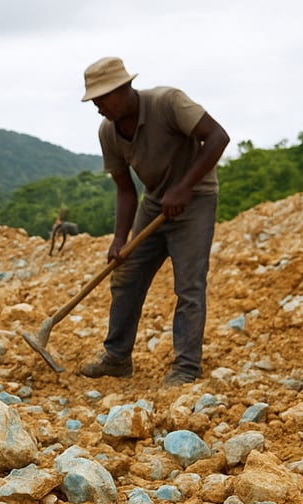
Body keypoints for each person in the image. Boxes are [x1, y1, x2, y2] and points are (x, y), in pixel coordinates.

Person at [77, 57, 229, 388]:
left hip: (196, 199)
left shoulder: (168, 102)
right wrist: (119, 240)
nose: (99, 107)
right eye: (95, 101)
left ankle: (186, 366)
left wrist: (185, 187)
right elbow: (125, 189)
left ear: (124, 88)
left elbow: (217, 137)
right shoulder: (109, 132)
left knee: (189, 285)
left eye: (103, 98)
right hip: (155, 203)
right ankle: (117, 358)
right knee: (126, 276)